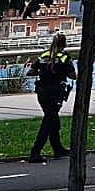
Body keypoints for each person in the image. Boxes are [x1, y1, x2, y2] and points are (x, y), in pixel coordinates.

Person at [27, 33, 76, 163]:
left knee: (53, 119)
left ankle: (57, 148)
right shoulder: (65, 57)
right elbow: (73, 75)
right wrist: (60, 73)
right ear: (64, 44)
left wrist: (44, 73)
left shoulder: (43, 55)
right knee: (49, 121)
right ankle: (35, 152)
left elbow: (30, 71)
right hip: (56, 92)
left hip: (42, 91)